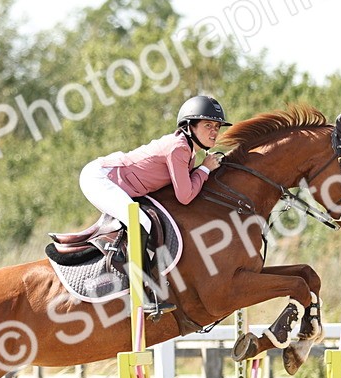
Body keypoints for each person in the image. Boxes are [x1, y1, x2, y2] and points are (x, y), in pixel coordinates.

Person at [79, 95, 231, 313]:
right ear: (189, 126)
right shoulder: (178, 148)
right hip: (99, 179)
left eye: (217, 126)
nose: (215, 131)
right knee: (141, 222)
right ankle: (141, 295)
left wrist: (201, 169)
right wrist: (205, 169)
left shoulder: (188, 152)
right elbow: (185, 196)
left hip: (114, 179)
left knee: (144, 221)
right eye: (208, 125)